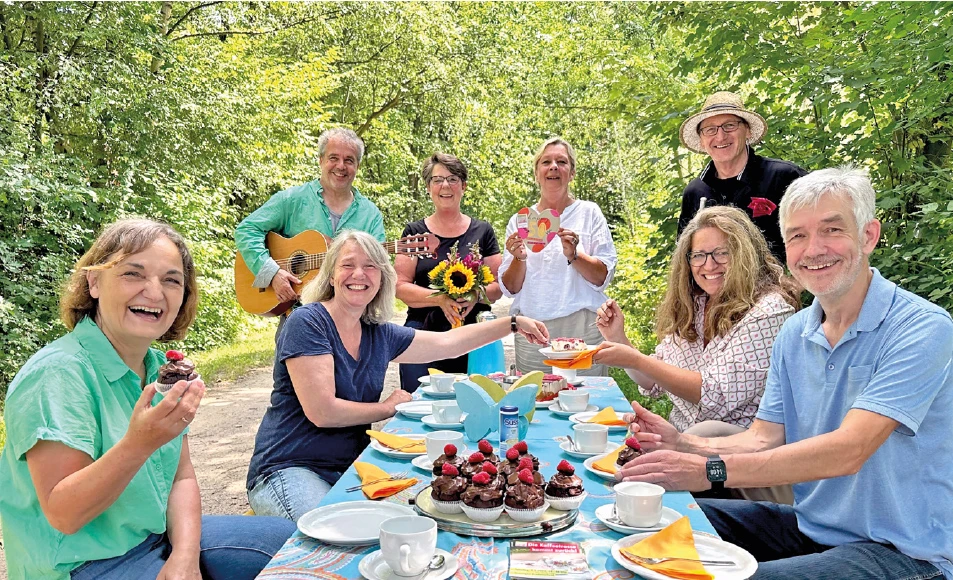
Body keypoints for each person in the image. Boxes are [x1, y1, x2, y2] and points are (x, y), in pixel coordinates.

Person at [617, 168, 953, 579]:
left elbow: (848, 451)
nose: (813, 249)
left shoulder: (921, 328)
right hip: (812, 526)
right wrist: (682, 442)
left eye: (832, 229)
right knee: (645, 521)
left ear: (868, 235)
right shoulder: (796, 332)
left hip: (904, 551)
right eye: (797, 235)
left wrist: (709, 470)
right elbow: (763, 437)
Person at [0, 219, 295, 580]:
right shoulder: (58, 374)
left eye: (171, 280)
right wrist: (140, 443)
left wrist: (185, 558)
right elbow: (65, 514)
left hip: (154, 539)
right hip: (80, 566)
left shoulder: (160, 368)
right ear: (94, 282)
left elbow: (181, 477)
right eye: (133, 274)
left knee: (290, 545)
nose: (154, 293)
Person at [246, 230, 549, 521]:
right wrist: (388, 407)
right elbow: (323, 412)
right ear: (330, 275)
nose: (359, 274)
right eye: (347, 265)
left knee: (426, 515)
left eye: (370, 266)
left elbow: (448, 342)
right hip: (289, 467)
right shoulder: (308, 322)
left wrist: (512, 323)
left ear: (381, 278)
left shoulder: (378, 333)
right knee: (328, 532)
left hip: (352, 467)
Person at [499, 137, 617, 375]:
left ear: (571, 173)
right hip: (532, 329)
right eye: (546, 162)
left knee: (587, 404)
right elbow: (510, 288)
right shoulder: (520, 221)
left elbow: (603, 276)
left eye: (561, 162)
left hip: (583, 324)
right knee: (535, 403)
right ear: (537, 172)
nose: (553, 166)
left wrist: (575, 255)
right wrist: (518, 258)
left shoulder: (589, 212)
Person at [234, 127, 386, 312]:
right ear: (321, 160)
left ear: (357, 167)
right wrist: (272, 273)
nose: (341, 166)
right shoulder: (292, 200)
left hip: (354, 315)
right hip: (297, 314)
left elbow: (378, 268)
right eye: (333, 158)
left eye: (349, 160)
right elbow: (246, 230)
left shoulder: (370, 214)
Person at [395, 153, 503, 392]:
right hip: (423, 332)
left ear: (463, 186)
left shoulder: (483, 231)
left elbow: (499, 286)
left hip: (475, 331)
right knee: (420, 403)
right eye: (437, 179)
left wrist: (476, 296)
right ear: (428, 187)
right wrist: (440, 298)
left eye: (453, 179)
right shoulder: (414, 232)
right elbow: (400, 286)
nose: (445, 185)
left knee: (477, 400)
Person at [678, 91, 808, 263]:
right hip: (714, 288)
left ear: (747, 130)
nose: (720, 136)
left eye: (730, 125)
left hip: (773, 288)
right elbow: (685, 258)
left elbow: (821, 231)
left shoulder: (784, 177)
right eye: (710, 129)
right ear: (702, 139)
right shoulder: (695, 192)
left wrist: (794, 283)